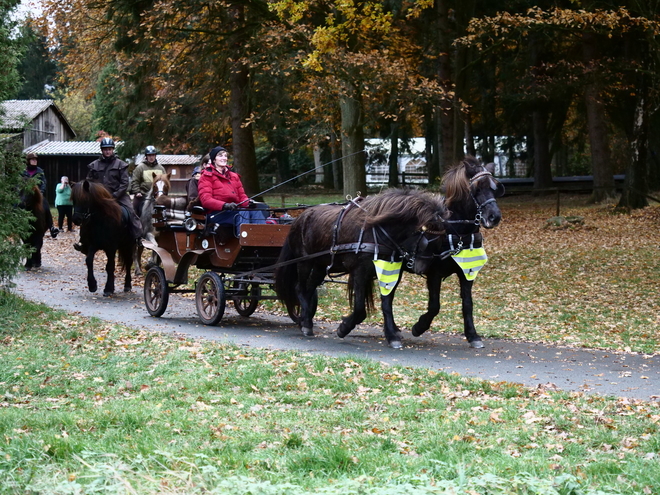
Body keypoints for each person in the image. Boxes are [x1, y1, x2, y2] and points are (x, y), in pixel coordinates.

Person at [74, 138, 142, 253]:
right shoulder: (94, 165)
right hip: (99, 199)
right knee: (87, 215)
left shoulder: (121, 164)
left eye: (109, 149)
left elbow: (125, 183)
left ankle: (137, 237)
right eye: (105, 149)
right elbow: (89, 182)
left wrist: (115, 195)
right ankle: (83, 241)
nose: (107, 152)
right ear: (102, 150)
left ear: (113, 150)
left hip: (118, 196)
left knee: (131, 212)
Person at [197, 146, 267, 234]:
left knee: (256, 211)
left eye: (225, 156)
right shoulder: (206, 177)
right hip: (217, 213)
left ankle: (263, 238)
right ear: (214, 159)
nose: (224, 158)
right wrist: (225, 205)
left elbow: (242, 197)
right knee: (243, 213)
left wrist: (249, 203)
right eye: (220, 156)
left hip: (234, 210)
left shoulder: (234, 176)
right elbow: (206, 200)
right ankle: (244, 241)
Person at [22, 152, 58, 238]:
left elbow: (43, 182)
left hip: (37, 195)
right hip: (25, 194)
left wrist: (41, 192)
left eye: (35, 160)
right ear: (28, 161)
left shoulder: (40, 171)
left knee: (45, 205)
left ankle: (51, 227)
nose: (35, 161)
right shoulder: (23, 172)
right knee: (17, 204)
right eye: (33, 160)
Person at [129, 145, 166, 216]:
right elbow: (135, 181)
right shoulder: (140, 167)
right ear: (146, 156)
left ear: (155, 156)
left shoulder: (161, 168)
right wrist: (137, 192)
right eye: (149, 155)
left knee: (166, 208)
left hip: (157, 195)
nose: (151, 157)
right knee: (134, 208)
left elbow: (165, 182)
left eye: (153, 155)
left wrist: (163, 193)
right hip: (143, 195)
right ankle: (135, 223)